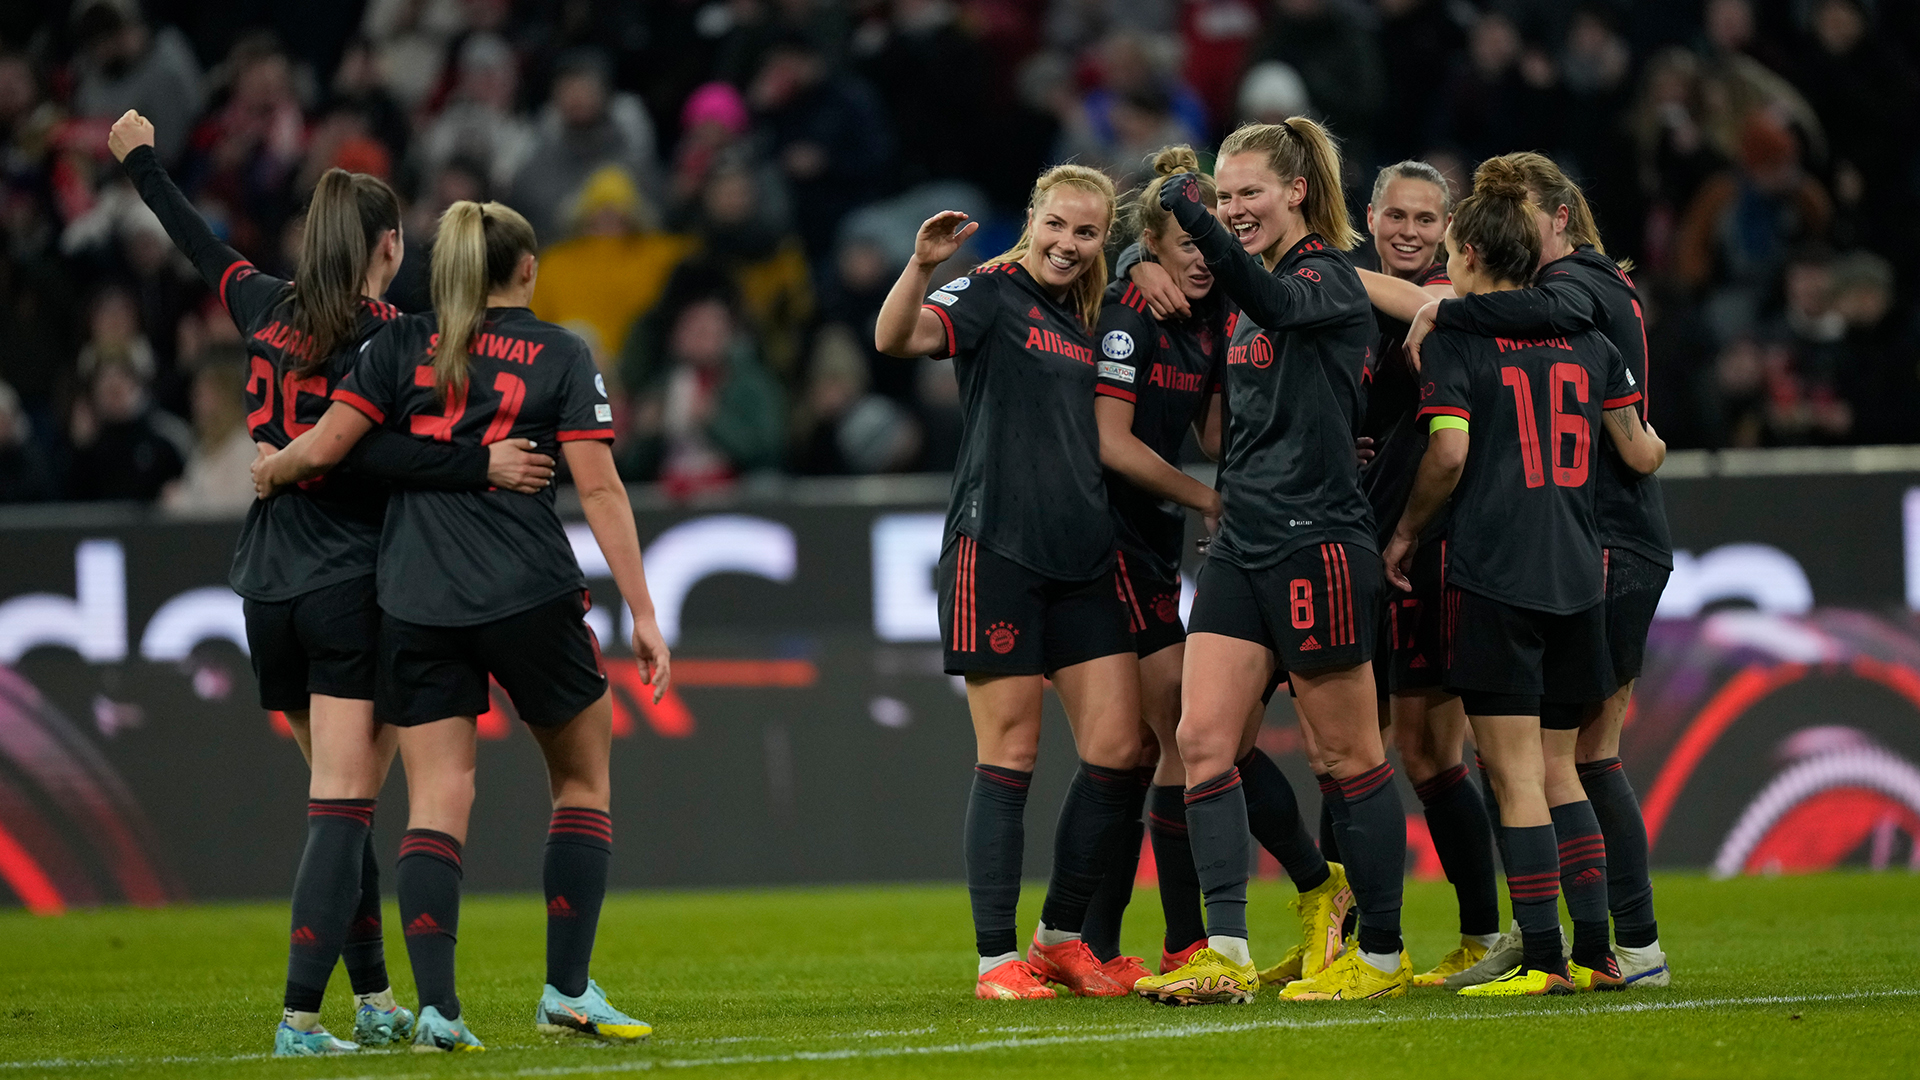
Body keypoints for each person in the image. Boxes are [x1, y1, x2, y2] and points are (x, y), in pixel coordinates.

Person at [109, 109, 553, 1056]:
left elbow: (198, 242)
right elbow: (384, 452)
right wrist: (486, 467)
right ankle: (301, 1016)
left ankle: (375, 999)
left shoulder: (261, 303)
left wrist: (143, 161)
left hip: (265, 586)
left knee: (337, 801)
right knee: (347, 802)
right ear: (389, 246)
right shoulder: (387, 336)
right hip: (348, 583)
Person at [254, 199, 671, 1051]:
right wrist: (644, 609)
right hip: (526, 589)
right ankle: (566, 989)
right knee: (582, 780)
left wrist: (275, 468)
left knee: (437, 800)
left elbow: (334, 446)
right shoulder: (560, 351)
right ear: (526, 270)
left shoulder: (403, 343)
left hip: (414, 597)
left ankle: (439, 1009)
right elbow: (598, 491)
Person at [1136, 118, 1408, 1005]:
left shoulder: (1326, 277)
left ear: (1295, 192)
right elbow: (1196, 276)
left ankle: (1380, 955)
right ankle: (1226, 950)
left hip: (1319, 541)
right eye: (1221, 195)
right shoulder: (1239, 285)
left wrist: (1204, 230)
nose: (1232, 209)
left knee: (1347, 753)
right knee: (1202, 739)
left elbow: (1270, 299)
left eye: (1248, 192)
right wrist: (1147, 260)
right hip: (1242, 543)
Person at [1381, 164, 1665, 996]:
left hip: (1497, 571)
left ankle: (1542, 958)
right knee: (1563, 769)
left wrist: (1404, 533)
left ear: (1467, 252)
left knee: (1511, 775)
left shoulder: (1458, 340)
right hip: (1582, 572)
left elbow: (1450, 452)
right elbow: (1642, 450)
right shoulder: (1593, 340)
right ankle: (1599, 950)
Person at [874, 165, 1146, 1001]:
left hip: (1085, 559)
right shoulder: (990, 288)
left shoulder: (1092, 311)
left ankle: (1059, 937)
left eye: (1086, 232)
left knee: (1117, 750)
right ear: (1031, 218)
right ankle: (996, 962)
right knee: (1012, 754)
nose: (1068, 244)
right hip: (998, 551)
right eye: (1057, 225)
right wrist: (921, 266)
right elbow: (898, 340)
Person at [1351, 161, 1505, 987]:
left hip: (1437, 547)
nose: (1408, 230)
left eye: (1424, 218)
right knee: (1356, 747)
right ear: (1369, 216)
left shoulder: (1454, 303)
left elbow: (1445, 316)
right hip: (1362, 543)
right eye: (1395, 215)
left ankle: (1480, 931)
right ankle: (1356, 938)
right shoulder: (1344, 296)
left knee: (1426, 750)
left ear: (1447, 229)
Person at [1080, 146, 1224, 982]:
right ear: (1154, 249)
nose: (1201, 259)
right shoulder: (1127, 311)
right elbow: (1110, 442)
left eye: (1210, 245)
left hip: (1152, 538)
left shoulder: (1203, 317)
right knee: (1170, 734)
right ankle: (1181, 936)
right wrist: (1209, 500)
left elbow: (1210, 435)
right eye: (1184, 247)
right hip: (1106, 536)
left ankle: (1093, 942)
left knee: (1137, 747)